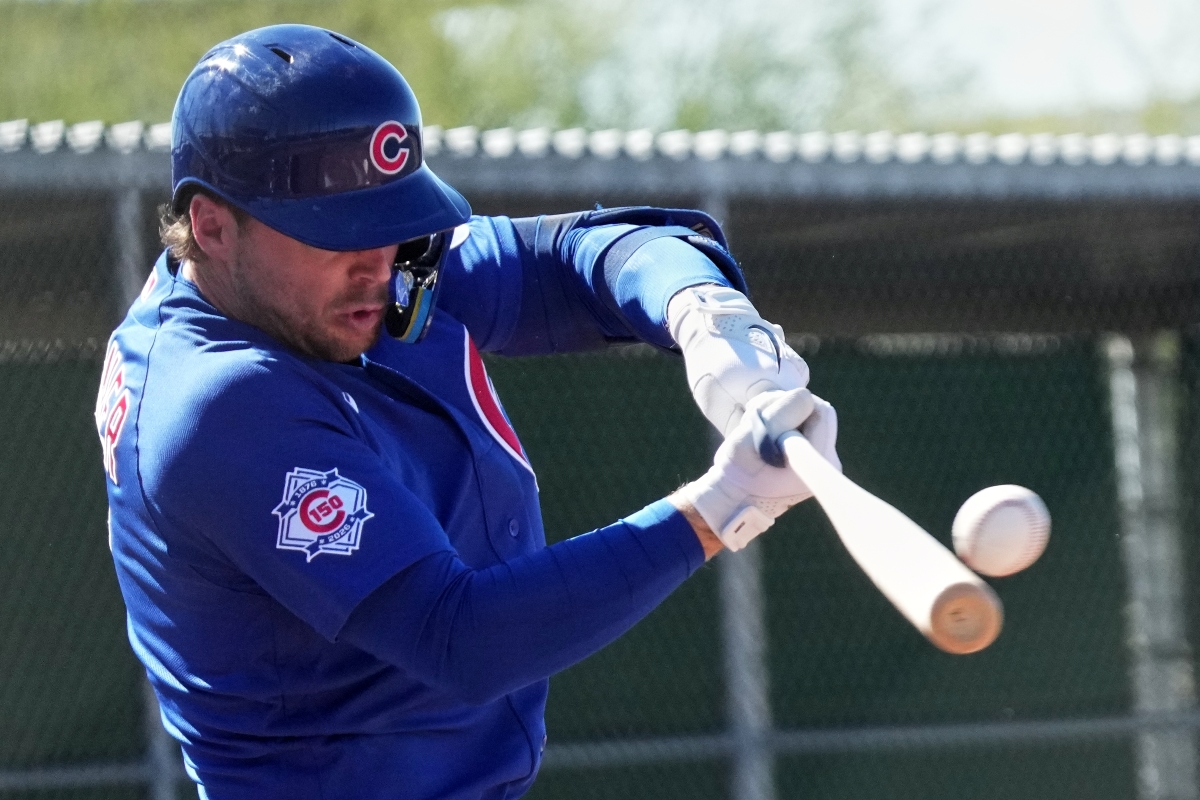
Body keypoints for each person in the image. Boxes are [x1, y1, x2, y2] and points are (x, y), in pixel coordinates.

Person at [94, 23, 840, 800]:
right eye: (336, 236)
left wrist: (702, 310)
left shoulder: (315, 282)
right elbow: (462, 638)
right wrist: (723, 507)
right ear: (212, 226)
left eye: (389, 226)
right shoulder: (214, 403)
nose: (379, 270)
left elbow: (577, 259)